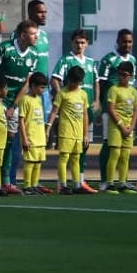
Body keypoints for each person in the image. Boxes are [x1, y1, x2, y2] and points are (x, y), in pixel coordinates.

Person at [0, 20, 40, 192]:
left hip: (14, 103)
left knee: (9, 141)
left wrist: (13, 106)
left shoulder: (33, 54)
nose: (36, 37)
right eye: (33, 34)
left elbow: (26, 84)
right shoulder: (5, 49)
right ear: (22, 35)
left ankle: (6, 181)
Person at [50, 31, 98, 193]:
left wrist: (97, 100)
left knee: (83, 145)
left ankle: (80, 181)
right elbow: (54, 79)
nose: (80, 45)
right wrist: (63, 97)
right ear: (72, 43)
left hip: (86, 107)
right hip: (70, 111)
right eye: (77, 42)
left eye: (83, 42)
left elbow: (96, 81)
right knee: (66, 154)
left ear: (87, 44)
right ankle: (65, 183)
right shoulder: (66, 60)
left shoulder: (91, 62)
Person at [96, 28, 137, 190]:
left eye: (130, 42)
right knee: (109, 145)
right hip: (111, 110)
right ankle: (105, 181)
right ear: (118, 42)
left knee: (124, 150)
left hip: (127, 111)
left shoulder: (132, 60)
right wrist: (100, 105)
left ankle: (122, 181)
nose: (127, 44)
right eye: (124, 41)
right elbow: (101, 83)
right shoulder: (109, 59)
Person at [48, 66, 90, 194]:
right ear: (68, 79)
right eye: (72, 81)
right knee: (64, 158)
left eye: (77, 82)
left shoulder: (83, 94)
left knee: (76, 158)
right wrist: (48, 128)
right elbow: (54, 111)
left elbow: (85, 115)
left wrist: (86, 134)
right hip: (65, 132)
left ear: (80, 81)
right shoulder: (62, 93)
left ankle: (77, 185)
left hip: (78, 133)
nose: (74, 84)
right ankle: (63, 186)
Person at [103, 61, 137, 193]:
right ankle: (110, 184)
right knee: (115, 153)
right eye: (120, 74)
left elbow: (135, 111)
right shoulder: (114, 89)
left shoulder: (133, 91)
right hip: (116, 127)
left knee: (125, 156)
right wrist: (121, 126)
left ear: (131, 76)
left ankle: (122, 183)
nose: (122, 77)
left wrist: (131, 127)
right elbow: (111, 109)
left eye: (125, 75)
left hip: (128, 128)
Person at [16, 72, 49, 195]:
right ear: (33, 86)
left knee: (38, 163)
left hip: (40, 138)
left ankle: (34, 185)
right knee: (30, 162)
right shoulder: (25, 99)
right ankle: (27, 186)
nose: (43, 90)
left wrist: (44, 133)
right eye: (41, 87)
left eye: (44, 88)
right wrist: (24, 138)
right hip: (31, 137)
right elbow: (21, 120)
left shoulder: (39, 99)